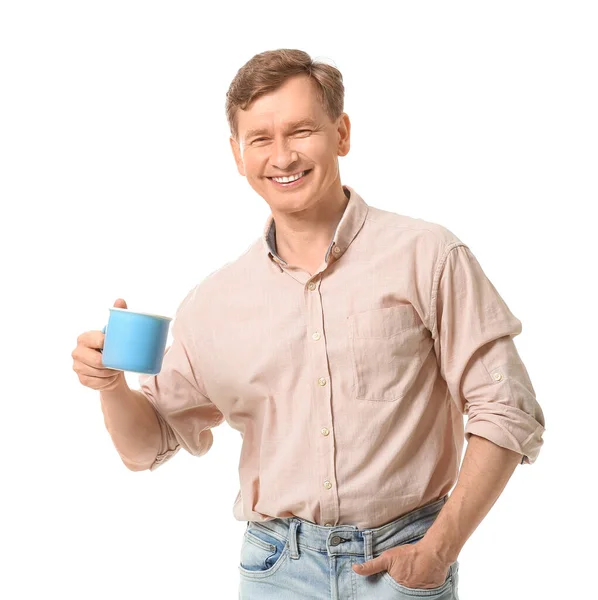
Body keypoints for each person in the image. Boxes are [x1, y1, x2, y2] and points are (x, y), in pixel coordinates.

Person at [72, 49, 546, 599]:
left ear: (341, 133)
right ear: (237, 153)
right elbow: (146, 444)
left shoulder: (428, 256)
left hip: (402, 564)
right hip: (277, 571)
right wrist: (110, 387)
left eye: (301, 131)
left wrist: (440, 548)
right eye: (260, 138)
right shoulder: (214, 302)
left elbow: (507, 408)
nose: (282, 156)